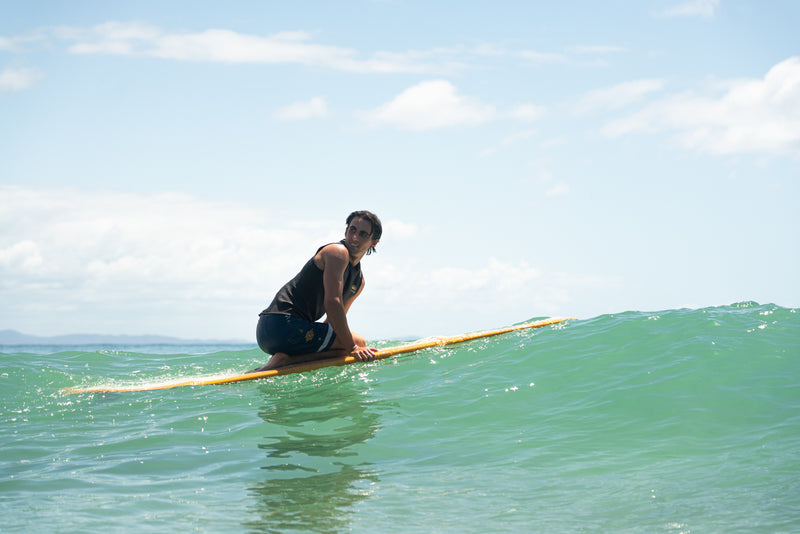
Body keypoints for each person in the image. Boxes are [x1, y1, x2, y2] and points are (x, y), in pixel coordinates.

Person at [249, 210, 382, 372]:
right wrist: (353, 347)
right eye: (352, 230)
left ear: (373, 242)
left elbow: (333, 322)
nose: (354, 237)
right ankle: (285, 361)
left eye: (362, 234)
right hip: (281, 325)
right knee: (358, 343)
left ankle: (287, 359)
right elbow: (333, 303)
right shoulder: (337, 253)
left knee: (342, 349)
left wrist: (347, 347)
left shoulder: (358, 281)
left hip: (275, 332)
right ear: (346, 231)